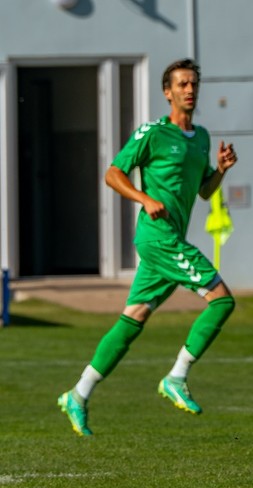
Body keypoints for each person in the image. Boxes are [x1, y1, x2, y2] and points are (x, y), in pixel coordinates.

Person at [57, 58, 238, 436]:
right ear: (167, 92)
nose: (189, 90)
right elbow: (113, 173)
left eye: (193, 83)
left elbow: (204, 191)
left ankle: (78, 394)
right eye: (182, 84)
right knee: (222, 300)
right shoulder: (152, 133)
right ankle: (176, 376)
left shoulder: (201, 138)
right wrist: (144, 198)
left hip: (171, 240)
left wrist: (221, 170)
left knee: (134, 318)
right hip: (158, 237)